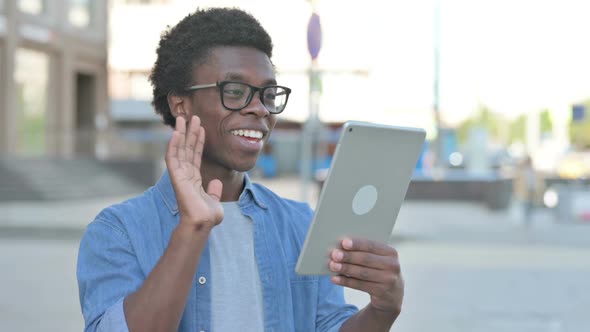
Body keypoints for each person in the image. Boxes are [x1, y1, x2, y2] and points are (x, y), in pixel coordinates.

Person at [77, 7, 404, 332]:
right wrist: (192, 228)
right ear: (181, 104)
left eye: (268, 94)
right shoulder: (118, 232)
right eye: (234, 91)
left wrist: (382, 311)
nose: (260, 108)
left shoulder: (300, 224)